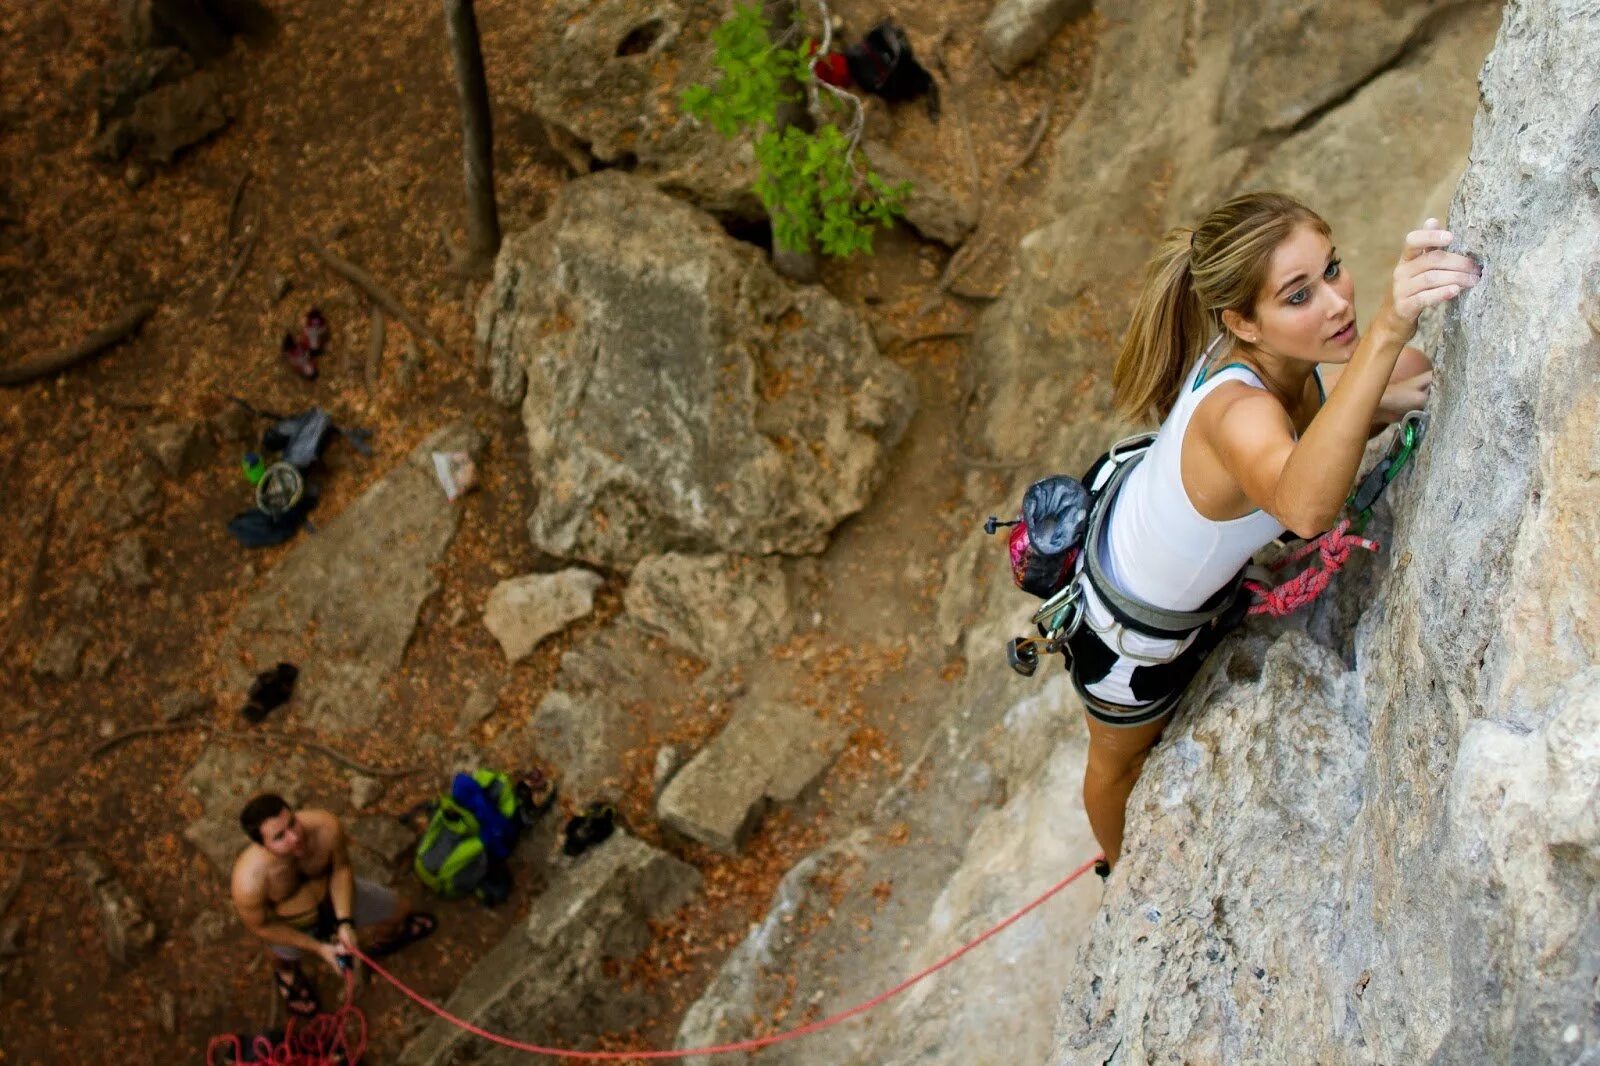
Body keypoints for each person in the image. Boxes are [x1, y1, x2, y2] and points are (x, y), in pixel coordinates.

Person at [1073, 193, 1479, 869]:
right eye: (1298, 297)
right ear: (1244, 324)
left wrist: (1379, 387)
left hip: (1170, 554)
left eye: (1334, 269)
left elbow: (1389, 384)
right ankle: (1117, 874)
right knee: (1115, 764)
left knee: (1399, 380)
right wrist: (1385, 333)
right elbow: (1306, 507)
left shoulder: (1267, 359)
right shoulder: (1238, 414)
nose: (1338, 302)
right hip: (1129, 634)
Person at [230, 794, 436, 1017]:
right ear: (262, 845)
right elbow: (262, 928)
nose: (295, 837)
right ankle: (287, 976)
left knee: (400, 910)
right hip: (293, 922)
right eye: (279, 837)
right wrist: (318, 948)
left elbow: (341, 869)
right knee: (281, 957)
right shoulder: (249, 881)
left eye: (292, 823)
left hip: (334, 895)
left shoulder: (325, 828)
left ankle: (382, 943)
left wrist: (345, 922)